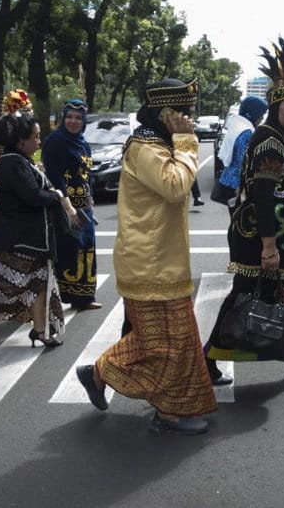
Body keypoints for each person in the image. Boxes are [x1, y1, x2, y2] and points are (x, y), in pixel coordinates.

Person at [74, 77, 217, 435]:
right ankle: (164, 410)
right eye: (183, 113)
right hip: (148, 265)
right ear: (166, 114)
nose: (189, 118)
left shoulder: (159, 143)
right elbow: (174, 186)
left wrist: (181, 142)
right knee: (165, 345)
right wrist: (186, 143)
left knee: (174, 340)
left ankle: (101, 373)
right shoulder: (145, 147)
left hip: (165, 262)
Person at [204, 37, 284, 381]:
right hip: (260, 237)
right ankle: (208, 358)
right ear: (274, 107)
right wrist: (269, 247)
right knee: (245, 295)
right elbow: (262, 196)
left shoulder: (283, 140)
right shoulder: (268, 141)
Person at [0, 113, 78, 347]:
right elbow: (32, 196)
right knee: (11, 288)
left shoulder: (21, 160)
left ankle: (40, 330)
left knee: (41, 284)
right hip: (16, 240)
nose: (39, 141)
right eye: (36, 137)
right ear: (21, 141)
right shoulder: (12, 162)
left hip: (33, 239)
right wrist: (56, 195)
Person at [42, 99, 101, 311]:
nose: (73, 121)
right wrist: (68, 207)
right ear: (62, 118)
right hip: (66, 205)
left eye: (78, 118)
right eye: (69, 117)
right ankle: (66, 296)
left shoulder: (82, 142)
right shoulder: (56, 141)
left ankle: (85, 297)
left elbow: (86, 174)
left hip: (84, 204)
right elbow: (55, 177)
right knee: (70, 249)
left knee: (87, 247)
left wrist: (90, 197)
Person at [216, 96, 268, 213]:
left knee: (235, 221)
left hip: (229, 181)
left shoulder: (238, 126)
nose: (261, 119)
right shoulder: (246, 132)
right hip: (237, 186)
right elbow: (244, 162)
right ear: (253, 113)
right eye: (260, 115)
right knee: (240, 224)